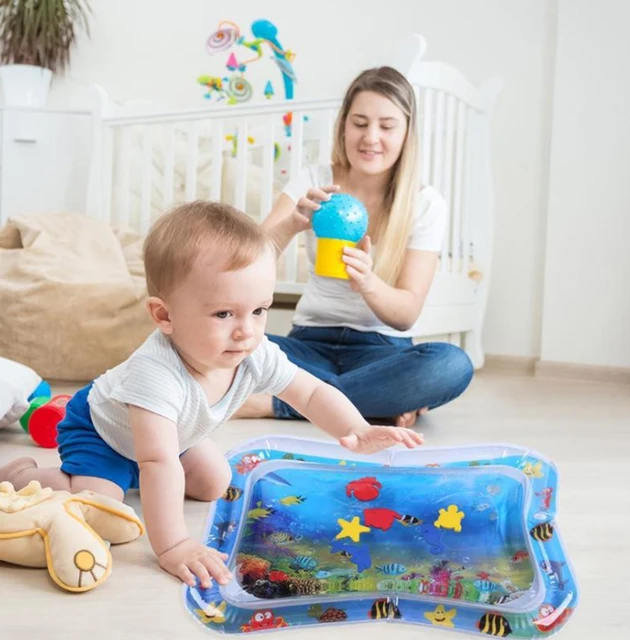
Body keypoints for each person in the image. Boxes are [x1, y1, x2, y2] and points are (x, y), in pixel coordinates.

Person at [0, 201, 423, 589]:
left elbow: (310, 392)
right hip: (103, 431)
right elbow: (157, 461)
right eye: (224, 314)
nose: (246, 329)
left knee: (214, 482)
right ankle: (23, 475)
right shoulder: (155, 375)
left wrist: (356, 428)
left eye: (259, 310)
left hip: (173, 435)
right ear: (164, 315)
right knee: (101, 504)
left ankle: (127, 479)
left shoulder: (251, 349)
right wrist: (174, 546)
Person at [234, 67, 474, 427]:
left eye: (387, 126)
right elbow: (248, 264)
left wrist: (369, 283)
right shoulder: (314, 179)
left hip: (381, 352)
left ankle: (278, 403)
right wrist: (292, 224)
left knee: (451, 364)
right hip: (307, 345)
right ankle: (374, 401)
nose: (371, 137)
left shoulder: (425, 203)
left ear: (407, 132)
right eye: (359, 123)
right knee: (220, 341)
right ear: (343, 125)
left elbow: (406, 313)